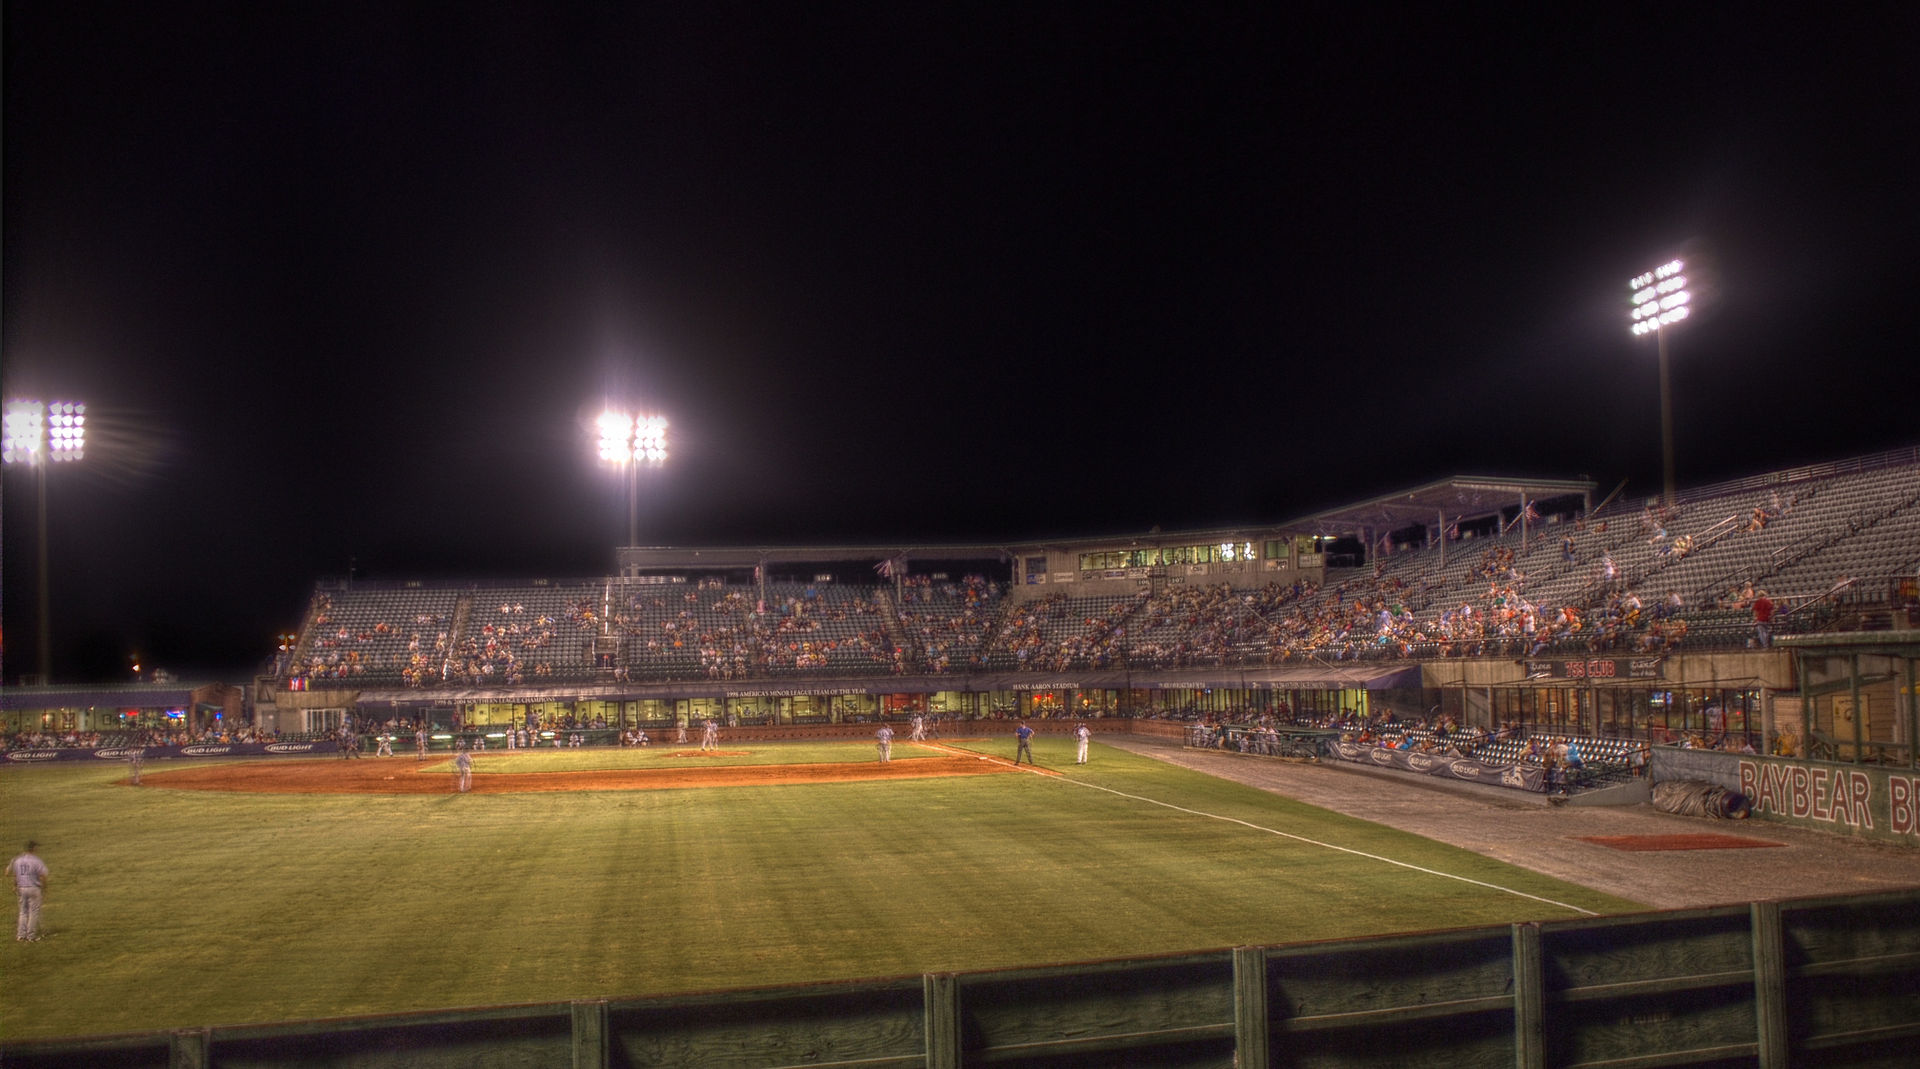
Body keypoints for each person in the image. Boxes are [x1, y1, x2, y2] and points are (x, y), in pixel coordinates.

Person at [8, 841, 48, 942]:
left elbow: (15, 875)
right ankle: (31, 936)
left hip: (21, 888)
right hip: (34, 888)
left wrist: (14, 885)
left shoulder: (18, 860)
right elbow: (43, 876)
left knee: (23, 912)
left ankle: (21, 935)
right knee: (33, 912)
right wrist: (45, 889)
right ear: (33, 848)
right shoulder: (36, 860)